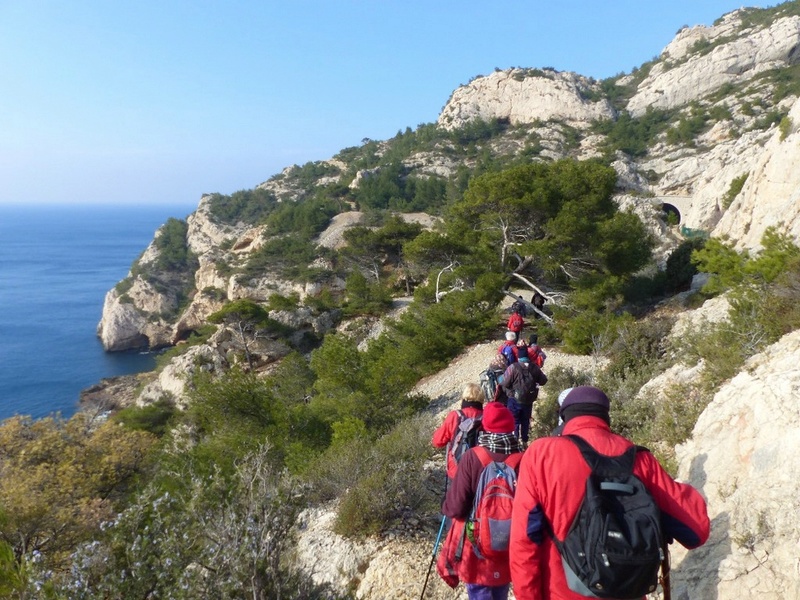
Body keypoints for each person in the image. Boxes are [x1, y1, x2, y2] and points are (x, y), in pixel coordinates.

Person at [509, 386, 711, 600]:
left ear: (565, 418)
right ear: (605, 417)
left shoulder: (542, 454)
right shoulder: (640, 459)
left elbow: (524, 540)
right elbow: (697, 532)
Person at [437, 402, 524, 600]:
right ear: (511, 428)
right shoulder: (521, 459)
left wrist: (445, 504)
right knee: (500, 589)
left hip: (476, 546)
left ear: (484, 427)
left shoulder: (473, 457)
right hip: (509, 542)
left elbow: (457, 507)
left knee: (479, 591)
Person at [432, 382, 485, 480]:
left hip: (456, 469)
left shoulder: (455, 416)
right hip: (481, 468)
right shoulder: (486, 416)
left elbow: (437, 442)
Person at [501, 357, 547, 447]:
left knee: (514, 420)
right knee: (525, 421)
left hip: (514, 399)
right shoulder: (534, 367)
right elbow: (543, 381)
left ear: (519, 357)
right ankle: (524, 441)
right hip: (528, 400)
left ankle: (515, 442)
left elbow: (505, 383)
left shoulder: (513, 367)